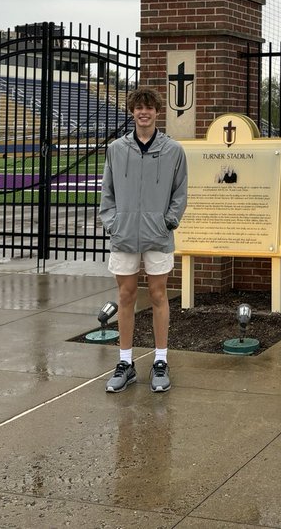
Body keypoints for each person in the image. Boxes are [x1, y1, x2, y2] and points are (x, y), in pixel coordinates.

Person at [98, 86, 188, 393]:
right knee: (125, 295)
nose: (143, 112)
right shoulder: (116, 149)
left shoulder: (173, 150)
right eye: (139, 107)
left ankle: (160, 360)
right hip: (124, 234)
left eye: (149, 108)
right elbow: (107, 192)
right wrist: (113, 223)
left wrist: (167, 222)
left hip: (157, 235)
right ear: (132, 111)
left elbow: (180, 193)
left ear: (157, 112)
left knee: (159, 294)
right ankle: (125, 362)